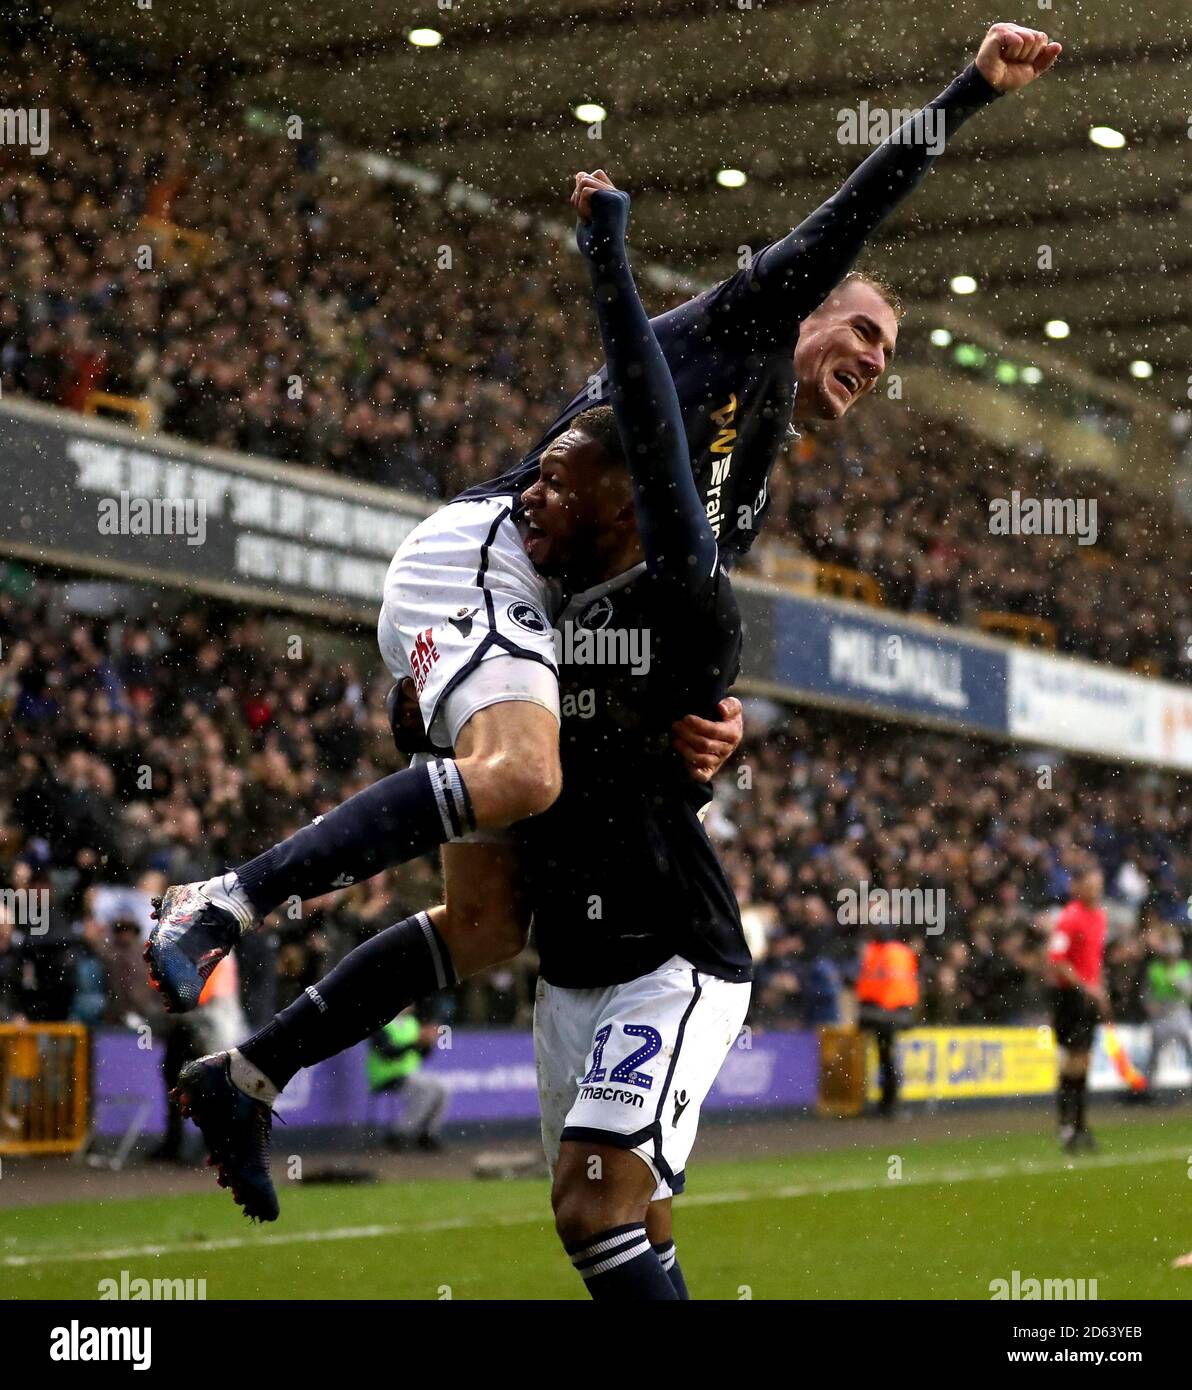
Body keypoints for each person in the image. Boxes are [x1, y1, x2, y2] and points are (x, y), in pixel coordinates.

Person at [146, 23, 1061, 1016]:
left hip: (545, 618)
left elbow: (670, 607)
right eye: (863, 330)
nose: (878, 361)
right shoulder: (738, 324)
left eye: (888, 353)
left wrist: (712, 713)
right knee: (523, 774)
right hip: (491, 559)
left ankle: (250, 1075)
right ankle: (228, 897)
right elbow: (848, 217)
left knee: (490, 928)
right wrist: (969, 91)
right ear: (804, 312)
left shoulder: (748, 469)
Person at [176, 175, 750, 1308]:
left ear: (628, 500)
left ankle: (234, 916)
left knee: (592, 1203)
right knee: (617, 1206)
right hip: (564, 954)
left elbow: (647, 413)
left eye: (557, 481)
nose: (527, 495)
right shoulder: (533, 600)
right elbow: (438, 701)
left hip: (671, 952)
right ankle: (249, 1072)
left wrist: (606, 254)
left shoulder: (682, 588)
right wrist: (414, 702)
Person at [1047, 865, 1109, 1153]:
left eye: (1100, 885)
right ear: (1080, 887)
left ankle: (1080, 1124)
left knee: (1083, 1061)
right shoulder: (1070, 917)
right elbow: (1057, 959)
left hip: (1088, 998)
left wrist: (1101, 991)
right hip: (1070, 997)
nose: (1096, 891)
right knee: (1072, 1061)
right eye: (1092, 885)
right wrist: (1085, 986)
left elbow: (1095, 960)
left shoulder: (1100, 916)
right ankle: (1066, 1125)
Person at [854, 909, 919, 1118]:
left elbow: (869, 984)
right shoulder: (902, 952)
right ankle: (889, 1103)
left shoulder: (874, 952)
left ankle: (887, 1103)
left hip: (879, 1013)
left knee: (885, 1059)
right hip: (897, 1012)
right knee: (888, 1059)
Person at [367, 1008, 448, 1153]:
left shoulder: (412, 1023)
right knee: (426, 1090)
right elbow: (388, 1053)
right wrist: (415, 1042)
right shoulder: (380, 1023)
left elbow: (421, 1054)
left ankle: (427, 1134)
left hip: (410, 1075)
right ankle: (399, 1133)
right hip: (386, 1076)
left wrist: (428, 1043)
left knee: (442, 1088)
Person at [1143, 925, 1192, 1092]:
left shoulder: (1185, 967)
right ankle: (1149, 1088)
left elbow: (1189, 992)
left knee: (1190, 1046)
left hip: (1180, 1011)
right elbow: (1146, 993)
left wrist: (1178, 982)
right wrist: (1150, 1006)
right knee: (1155, 1052)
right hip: (1161, 1014)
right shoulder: (1155, 969)